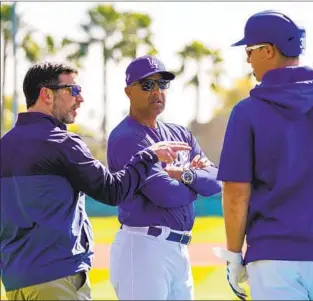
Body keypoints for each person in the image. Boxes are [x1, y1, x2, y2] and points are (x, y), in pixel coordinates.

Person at [0, 61, 191, 301]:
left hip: (15, 280)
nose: (80, 99)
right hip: (57, 277)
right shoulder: (62, 143)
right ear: (46, 94)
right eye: (73, 91)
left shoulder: (4, 144)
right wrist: (149, 155)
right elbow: (112, 191)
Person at [214, 10, 313, 301]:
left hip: (272, 261)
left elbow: (235, 193)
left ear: (268, 51)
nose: (247, 59)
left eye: (250, 50)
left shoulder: (246, 111)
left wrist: (233, 255)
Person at [107, 55, 222, 300]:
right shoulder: (127, 138)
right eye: (147, 85)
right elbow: (166, 195)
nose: (157, 91)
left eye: (162, 84)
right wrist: (195, 180)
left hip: (177, 249)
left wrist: (183, 174)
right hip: (143, 247)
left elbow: (215, 181)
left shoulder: (179, 132)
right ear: (129, 91)